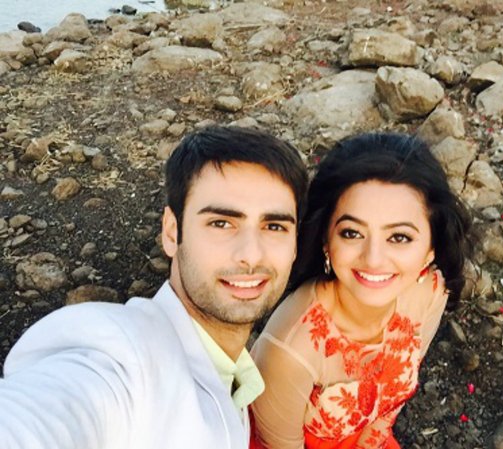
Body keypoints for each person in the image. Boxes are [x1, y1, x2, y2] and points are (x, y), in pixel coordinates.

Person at [0, 126, 308, 449]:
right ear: (172, 233)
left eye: (274, 226)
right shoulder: (122, 356)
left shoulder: (233, 374)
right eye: (221, 223)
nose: (252, 254)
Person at [250, 132, 472, 449]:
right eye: (352, 233)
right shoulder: (288, 353)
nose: (374, 259)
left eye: (399, 237)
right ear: (326, 239)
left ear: (431, 248)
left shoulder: (430, 291)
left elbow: (392, 398)